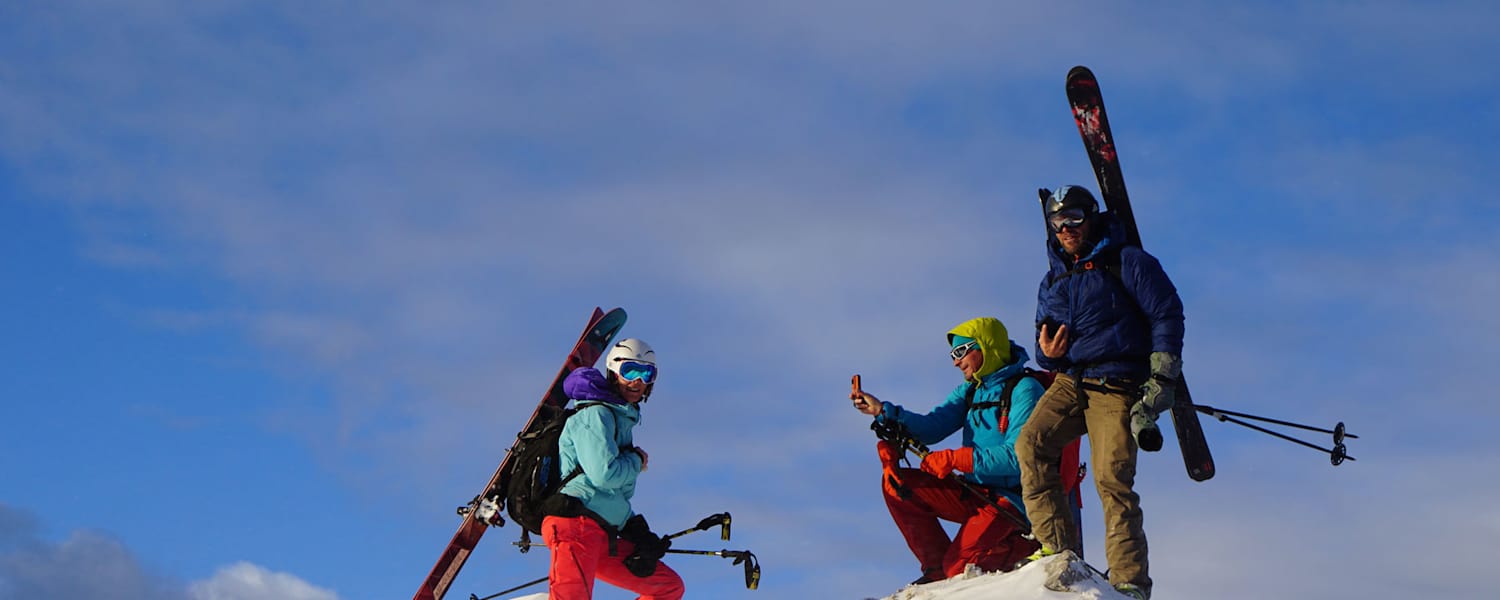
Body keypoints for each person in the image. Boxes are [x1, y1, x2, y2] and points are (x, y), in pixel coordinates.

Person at [1017, 185, 1185, 600]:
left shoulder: (1126, 261)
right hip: (1073, 380)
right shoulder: (1054, 278)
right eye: (1058, 222)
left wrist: (1162, 372)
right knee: (1031, 445)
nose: (1066, 228)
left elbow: (1166, 312)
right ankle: (1057, 550)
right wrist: (1048, 353)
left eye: (1074, 218)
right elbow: (1045, 341)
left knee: (1112, 478)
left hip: (1116, 381)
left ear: (1091, 216)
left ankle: (1130, 580)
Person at [852, 317, 1043, 585]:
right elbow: (933, 426)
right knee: (898, 485)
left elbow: (1017, 457)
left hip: (1009, 502)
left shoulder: (1025, 390)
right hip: (975, 492)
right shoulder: (971, 390)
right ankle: (936, 572)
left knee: (961, 570)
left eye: (961, 352)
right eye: (953, 354)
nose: (955, 361)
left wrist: (955, 459)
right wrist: (883, 411)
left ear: (986, 347)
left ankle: (1025, 551)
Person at [542, 338, 685, 600]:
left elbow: (615, 493)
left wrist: (634, 529)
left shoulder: (622, 422)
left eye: (647, 373)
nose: (638, 381)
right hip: (575, 524)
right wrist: (635, 462)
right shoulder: (595, 414)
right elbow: (603, 475)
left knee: (668, 588)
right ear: (613, 372)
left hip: (602, 531)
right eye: (630, 371)